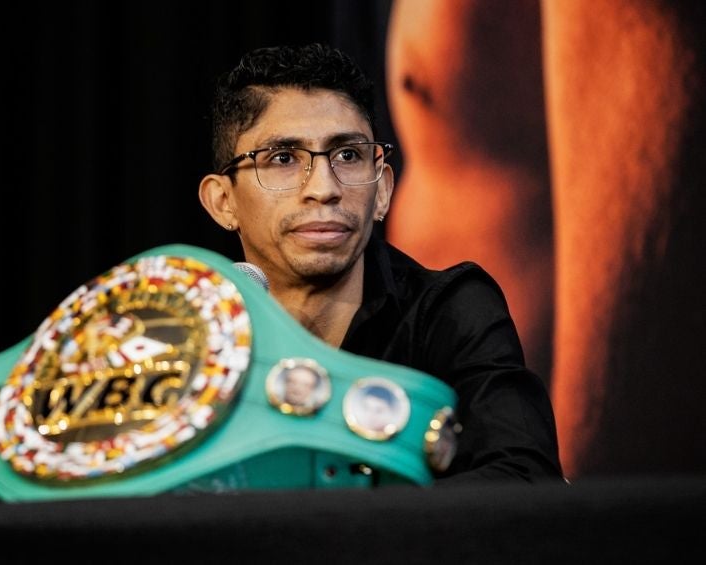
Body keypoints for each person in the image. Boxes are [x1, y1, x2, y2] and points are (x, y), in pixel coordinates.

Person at [198, 43, 562, 483]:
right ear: (223, 201)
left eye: (347, 155)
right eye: (283, 158)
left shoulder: (450, 310)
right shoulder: (192, 337)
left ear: (384, 190)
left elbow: (525, 478)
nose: (324, 188)